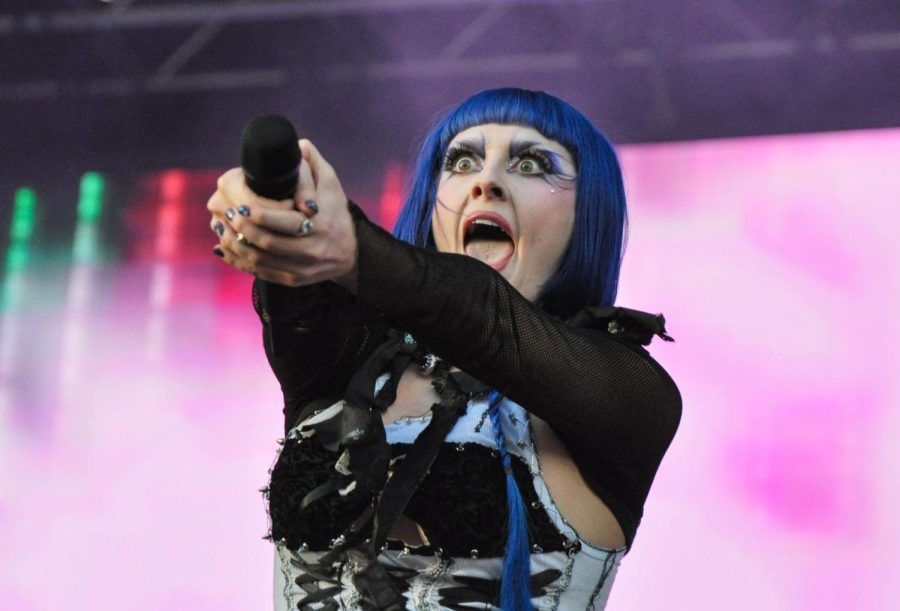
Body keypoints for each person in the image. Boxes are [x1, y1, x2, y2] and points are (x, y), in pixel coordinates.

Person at [207, 88, 681, 610]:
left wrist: (351, 246)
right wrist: (278, 202)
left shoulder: (625, 393)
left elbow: (481, 313)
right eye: (461, 161)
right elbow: (307, 282)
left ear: (590, 213)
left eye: (530, 163)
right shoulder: (355, 362)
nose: (486, 182)